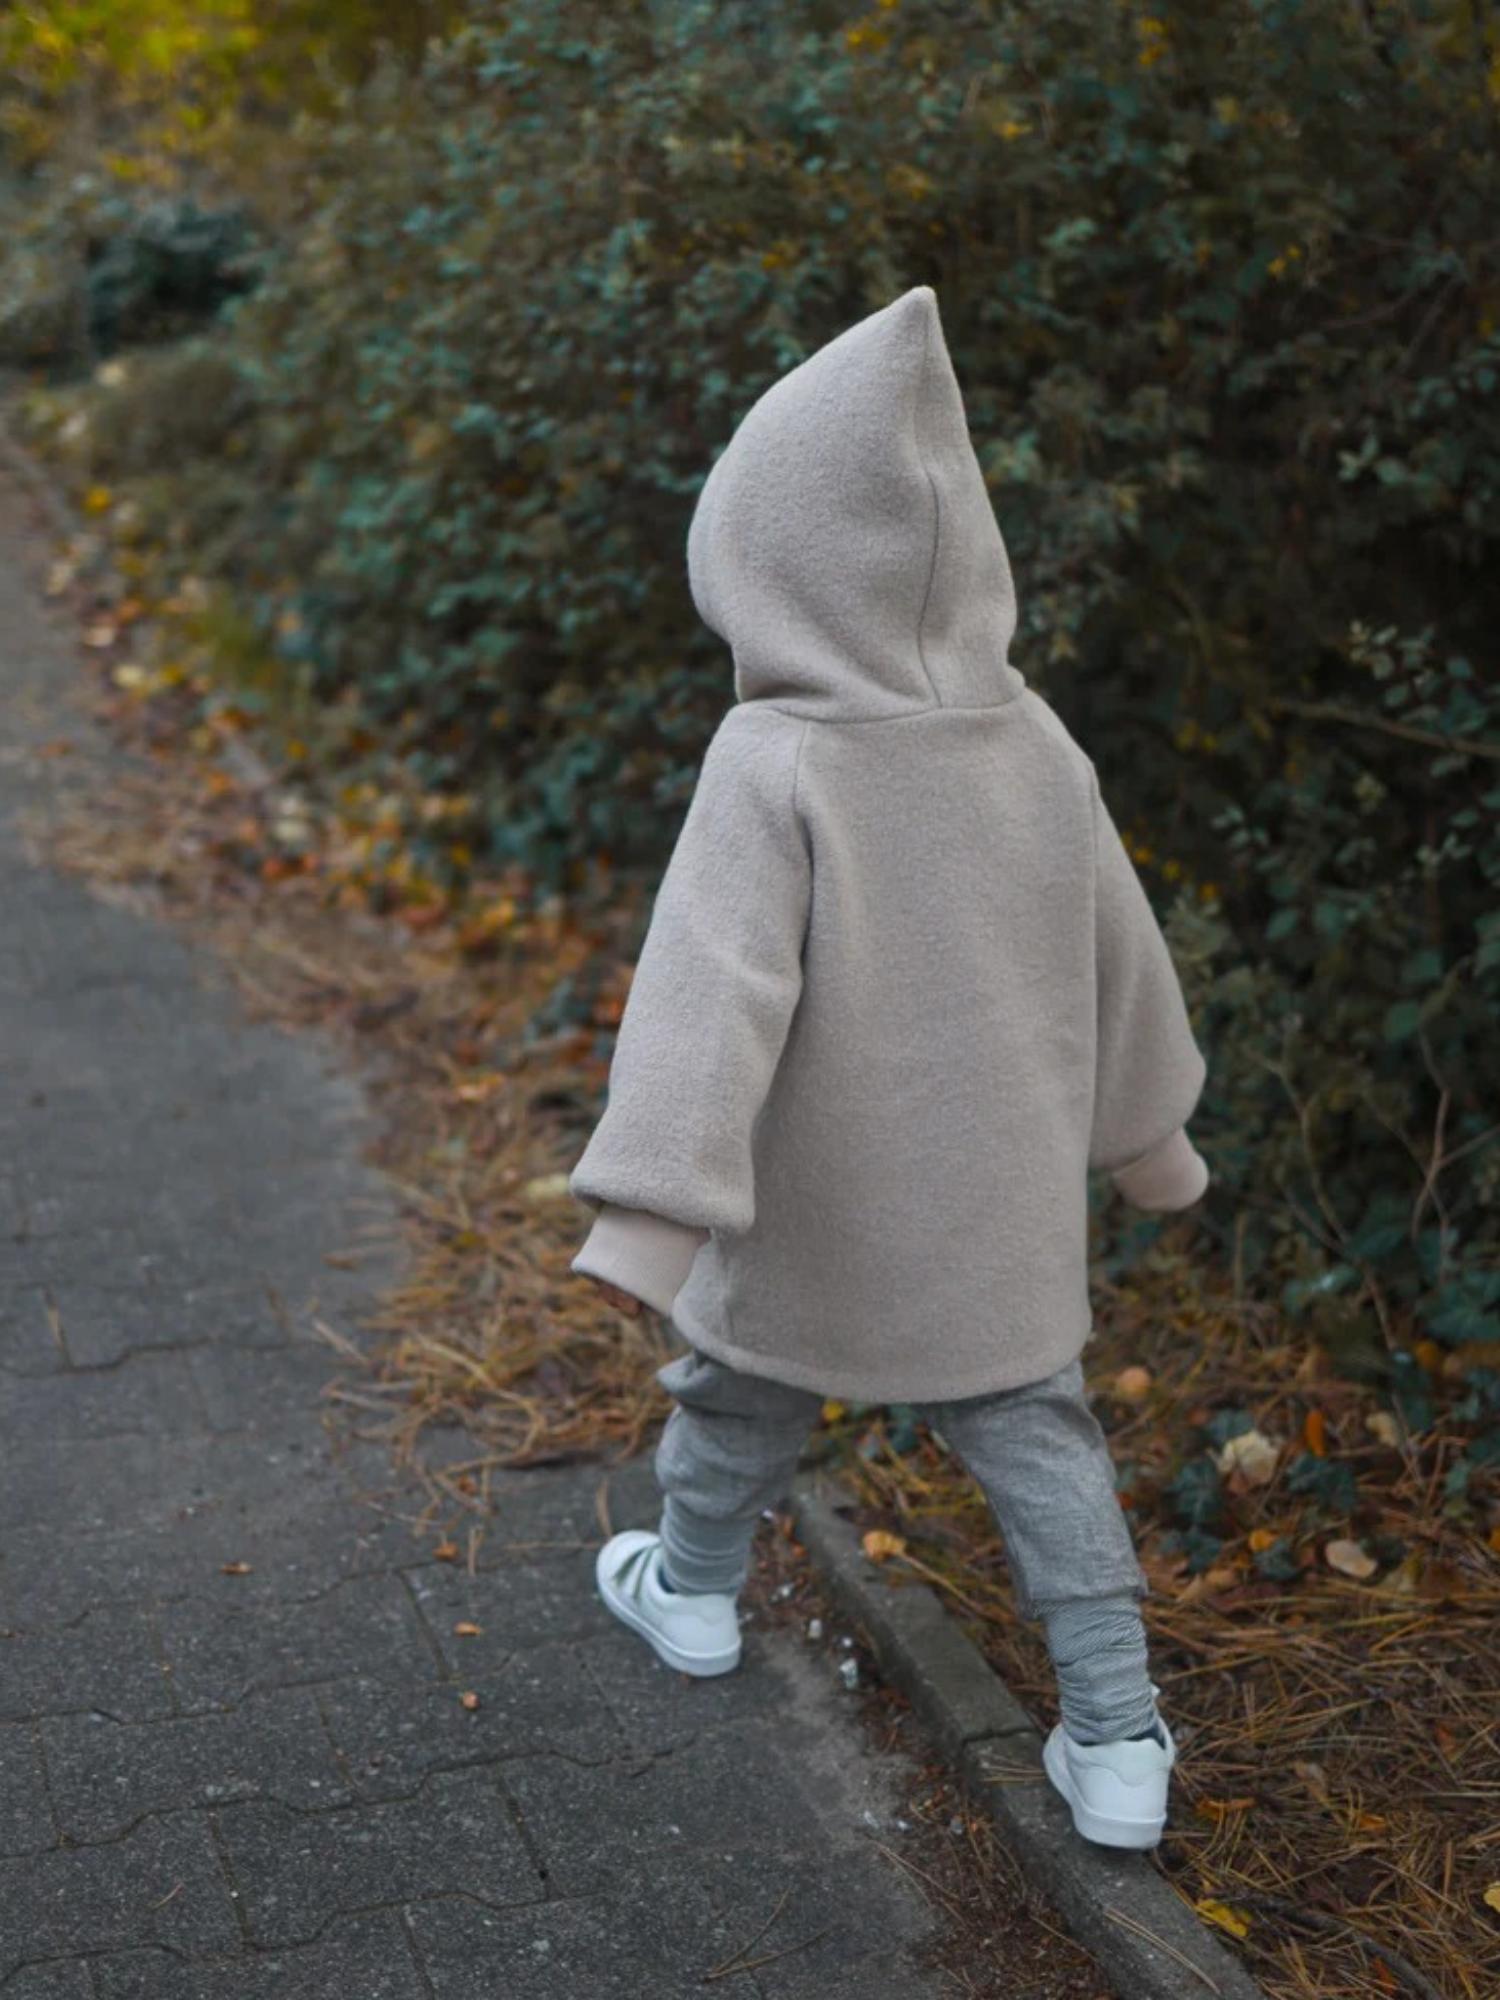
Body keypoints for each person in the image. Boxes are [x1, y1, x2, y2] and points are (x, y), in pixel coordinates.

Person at [567, 285, 1210, 1852]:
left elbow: (710, 997)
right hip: (996, 1210)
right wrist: (1152, 1142)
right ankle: (1117, 1739)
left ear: (761, 554)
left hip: (814, 1199)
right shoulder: (1037, 747)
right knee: (1041, 1443)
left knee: (736, 1391)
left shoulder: (774, 759)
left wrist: (651, 1218)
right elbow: (1121, 955)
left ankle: (692, 1594)